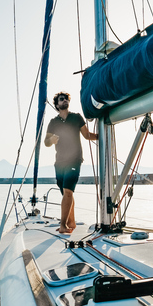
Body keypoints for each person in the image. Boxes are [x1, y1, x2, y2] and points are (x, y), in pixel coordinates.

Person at [44, 91, 98, 234]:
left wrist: (102, 136)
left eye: (66, 99)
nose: (65, 101)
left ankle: (63, 226)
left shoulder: (76, 117)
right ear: (57, 104)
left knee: (68, 191)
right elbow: (46, 142)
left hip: (74, 160)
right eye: (62, 99)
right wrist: (52, 140)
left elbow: (87, 135)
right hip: (59, 162)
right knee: (66, 193)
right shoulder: (53, 122)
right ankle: (71, 222)